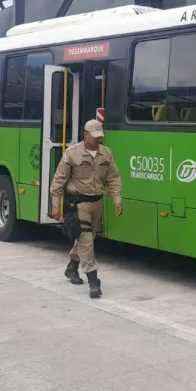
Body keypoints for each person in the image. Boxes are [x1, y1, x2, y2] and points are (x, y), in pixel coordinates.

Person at [50, 119, 123, 298]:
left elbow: (113, 177)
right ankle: (93, 280)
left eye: (100, 137)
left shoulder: (106, 154)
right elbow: (59, 180)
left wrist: (116, 199)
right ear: (86, 134)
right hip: (79, 203)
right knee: (87, 239)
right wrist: (55, 204)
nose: (98, 140)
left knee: (88, 237)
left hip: (97, 203)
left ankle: (72, 267)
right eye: (95, 137)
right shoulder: (72, 153)